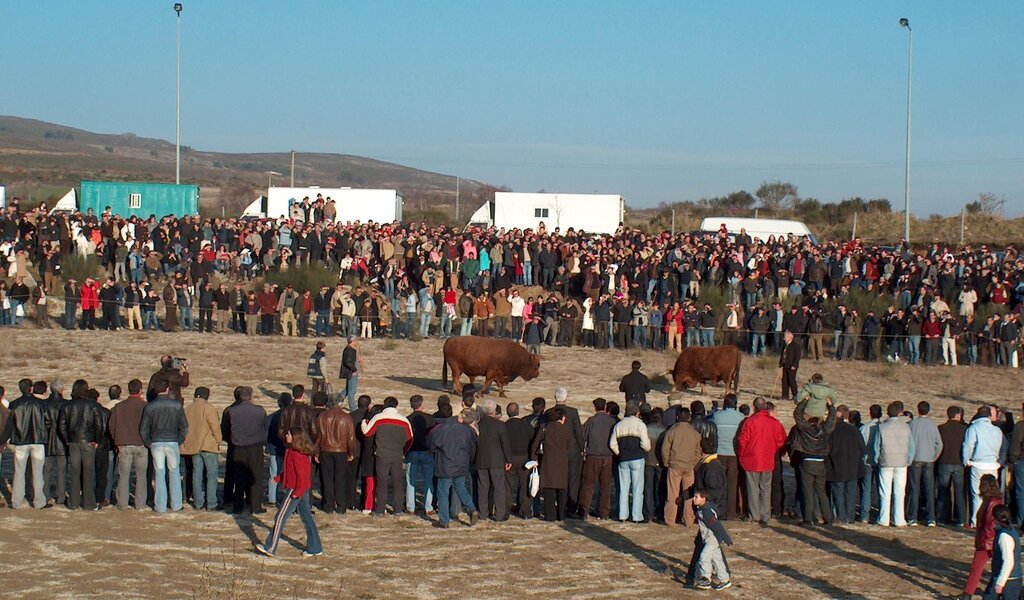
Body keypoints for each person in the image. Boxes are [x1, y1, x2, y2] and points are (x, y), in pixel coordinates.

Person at [256, 428, 323, 557]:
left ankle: (270, 547)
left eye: (289, 434)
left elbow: (303, 476)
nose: (286, 435)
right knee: (306, 517)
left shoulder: (298, 454)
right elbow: (290, 471)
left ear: (295, 437)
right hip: (298, 488)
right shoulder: (291, 450)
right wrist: (279, 478)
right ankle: (315, 547)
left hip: (295, 489)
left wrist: (297, 492)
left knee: (280, 517)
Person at [139, 379, 189, 513]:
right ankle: (176, 504)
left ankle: (160, 506)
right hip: (172, 441)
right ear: (167, 389)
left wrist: (148, 442)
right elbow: (184, 426)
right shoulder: (177, 405)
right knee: (174, 472)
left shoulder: (150, 406)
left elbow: (143, 428)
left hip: (156, 443)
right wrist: (179, 440)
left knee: (159, 473)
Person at [0, 380, 50, 509]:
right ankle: (39, 502)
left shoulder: (15, 404)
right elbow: (48, 422)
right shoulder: (41, 404)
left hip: (21, 442)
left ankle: (16, 502)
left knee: (19, 472)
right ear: (31, 388)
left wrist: (3, 439)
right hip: (38, 441)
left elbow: (10, 426)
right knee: (38, 473)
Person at [737, 396, 787, 525]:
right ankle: (765, 514)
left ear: (754, 407)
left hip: (752, 459)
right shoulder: (774, 423)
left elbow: (743, 440)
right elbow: (780, 441)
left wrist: (742, 455)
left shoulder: (750, 422)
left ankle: (755, 514)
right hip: (767, 459)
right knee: (766, 488)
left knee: (753, 488)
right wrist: (773, 450)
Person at [361, 396, 413, 516]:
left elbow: (367, 433)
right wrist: (403, 451)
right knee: (398, 483)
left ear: (385, 405)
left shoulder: (378, 418)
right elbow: (410, 439)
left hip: (381, 455)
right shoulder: (403, 420)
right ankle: (398, 509)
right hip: (397, 455)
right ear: (396, 405)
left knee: (382, 482)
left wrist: (364, 422)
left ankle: (380, 510)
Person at [428, 408, 480, 528]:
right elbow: (473, 444)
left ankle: (444, 521)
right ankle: (471, 509)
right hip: (461, 465)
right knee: (461, 488)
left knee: (443, 493)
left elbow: (432, 444)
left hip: (445, 465)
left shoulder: (442, 428)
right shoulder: (468, 431)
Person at [59, 381, 105, 511]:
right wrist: (96, 440)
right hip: (88, 442)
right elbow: (99, 425)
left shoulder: (67, 406)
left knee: (74, 472)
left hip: (73, 442)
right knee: (88, 473)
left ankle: (74, 502)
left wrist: (67, 440)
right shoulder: (93, 406)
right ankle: (89, 503)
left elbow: (61, 426)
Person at [222, 386, 267, 515]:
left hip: (238, 446)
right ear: (251, 396)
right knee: (256, 476)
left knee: (239, 477)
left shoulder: (232, 411)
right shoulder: (259, 411)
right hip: (255, 447)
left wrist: (230, 440)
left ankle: (238, 506)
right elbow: (264, 426)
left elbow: (226, 429)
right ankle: (255, 505)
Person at [792, 398, 837, 526]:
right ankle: (828, 519)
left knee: (808, 491)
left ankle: (808, 519)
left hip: (807, 462)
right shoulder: (825, 431)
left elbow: (797, 415)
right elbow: (831, 420)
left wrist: (804, 401)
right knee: (822, 493)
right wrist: (830, 406)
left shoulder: (804, 429)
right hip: (820, 463)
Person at [107, 379, 148, 510]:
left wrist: (117, 441)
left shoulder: (119, 407)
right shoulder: (145, 406)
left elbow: (111, 426)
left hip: (124, 444)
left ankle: (122, 503)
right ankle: (140, 503)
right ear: (140, 390)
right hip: (141, 444)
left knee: (124, 475)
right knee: (141, 476)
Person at [964, 406, 1008, 527]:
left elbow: (968, 445)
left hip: (977, 464)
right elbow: (1004, 446)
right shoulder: (997, 430)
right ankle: (992, 520)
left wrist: (966, 460)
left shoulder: (974, 428)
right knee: (992, 495)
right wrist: (1001, 462)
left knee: (977, 494)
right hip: (993, 465)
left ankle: (976, 521)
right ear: (989, 416)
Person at [962, 474, 1004, 599]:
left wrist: (984, 541)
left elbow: (990, 525)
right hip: (987, 540)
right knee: (977, 567)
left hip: (989, 541)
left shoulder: (993, 502)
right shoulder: (989, 501)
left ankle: (969, 594)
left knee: (992, 568)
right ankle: (967, 594)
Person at [873, 401, 914, 527]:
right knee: (900, 491)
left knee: (885, 492)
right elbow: (911, 446)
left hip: (886, 462)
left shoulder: (881, 427)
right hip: (902, 462)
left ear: (887, 413)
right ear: (899, 413)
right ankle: (899, 519)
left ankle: (884, 519)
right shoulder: (906, 427)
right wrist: (909, 460)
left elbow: (876, 446)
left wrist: (876, 459)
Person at [610, 400, 651, 523]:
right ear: (637, 412)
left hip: (623, 459)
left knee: (624, 488)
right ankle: (636, 516)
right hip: (637, 458)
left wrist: (619, 453)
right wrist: (645, 450)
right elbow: (646, 444)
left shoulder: (619, 425)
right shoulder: (640, 425)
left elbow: (612, 444)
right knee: (637, 489)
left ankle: (623, 515)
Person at [181, 387, 222, 511]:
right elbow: (215, 425)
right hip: (208, 445)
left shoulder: (187, 409)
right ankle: (211, 503)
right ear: (207, 396)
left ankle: (198, 503)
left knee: (196, 474)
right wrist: (218, 439)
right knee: (211, 475)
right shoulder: (208, 408)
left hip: (194, 447)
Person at [316, 394, 357, 514]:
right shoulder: (346, 417)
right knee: (340, 478)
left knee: (327, 478)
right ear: (340, 402)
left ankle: (328, 505)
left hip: (325, 449)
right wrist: (351, 452)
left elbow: (318, 436)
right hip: (341, 451)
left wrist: (316, 452)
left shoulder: (323, 416)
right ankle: (341, 505)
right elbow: (351, 438)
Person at [826, 404, 866, 525]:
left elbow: (827, 449)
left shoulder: (831, 431)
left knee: (838, 494)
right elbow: (862, 447)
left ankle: (841, 517)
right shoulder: (853, 430)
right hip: (852, 467)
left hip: (836, 467)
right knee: (850, 493)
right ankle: (850, 517)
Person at [662, 407, 702, 527]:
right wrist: (694, 463)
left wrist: (666, 462)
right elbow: (698, 451)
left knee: (672, 493)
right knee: (689, 495)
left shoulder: (672, 431)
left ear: (677, 417)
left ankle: (670, 519)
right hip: (689, 466)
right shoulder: (695, 433)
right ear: (689, 418)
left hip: (674, 465)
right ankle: (688, 519)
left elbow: (665, 449)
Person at [532, 406, 572, 522]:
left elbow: (535, 444)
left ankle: (550, 516)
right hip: (562, 462)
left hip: (548, 461)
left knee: (549, 490)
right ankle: (561, 515)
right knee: (562, 491)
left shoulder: (545, 428)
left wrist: (534, 458)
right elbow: (570, 446)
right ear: (562, 417)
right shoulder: (566, 429)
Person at [907, 401, 943, 527]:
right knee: (929, 489)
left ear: (918, 410)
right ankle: (931, 518)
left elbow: (908, 442)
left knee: (914, 488)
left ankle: (912, 517)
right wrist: (934, 457)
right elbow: (939, 444)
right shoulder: (932, 425)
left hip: (915, 459)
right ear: (928, 410)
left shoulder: (912, 424)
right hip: (929, 460)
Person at [579, 398, 616, 520]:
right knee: (605, 487)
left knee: (588, 485)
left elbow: (583, 436)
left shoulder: (591, 421)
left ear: (595, 407)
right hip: (608, 457)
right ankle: (604, 512)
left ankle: (584, 511)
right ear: (605, 407)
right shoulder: (612, 421)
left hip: (593, 456)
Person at [690, 488, 734, 591]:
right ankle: (725, 580)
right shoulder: (701, 508)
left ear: (704, 499)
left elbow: (716, 526)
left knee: (704, 557)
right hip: (708, 539)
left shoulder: (707, 512)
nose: (694, 499)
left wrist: (725, 537)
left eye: (696, 497)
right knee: (717, 560)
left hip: (712, 539)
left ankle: (705, 579)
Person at [475, 398, 511, 521]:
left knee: (483, 488)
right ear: (494, 411)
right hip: (497, 461)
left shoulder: (477, 425)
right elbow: (505, 444)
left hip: (481, 460)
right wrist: (508, 459)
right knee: (499, 488)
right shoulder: (500, 425)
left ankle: (483, 513)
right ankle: (500, 514)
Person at [711, 394, 745, 521]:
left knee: (719, 484)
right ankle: (731, 513)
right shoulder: (740, 417)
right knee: (732, 484)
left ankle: (719, 510)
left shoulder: (717, 416)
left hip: (719, 453)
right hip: (734, 454)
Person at [938, 405, 969, 527]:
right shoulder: (964, 429)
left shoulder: (941, 428)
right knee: (959, 492)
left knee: (943, 491)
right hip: (959, 463)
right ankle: (961, 519)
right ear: (958, 415)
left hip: (944, 461)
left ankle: (941, 518)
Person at [983, 505, 1022, 600]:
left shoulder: (1004, 536)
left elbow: (1008, 561)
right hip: (1010, 578)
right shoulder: (1010, 529)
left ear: (994, 518)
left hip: (1008, 580)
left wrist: (1000, 583)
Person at [505, 402, 535, 519]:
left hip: (509, 458)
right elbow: (532, 441)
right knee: (524, 485)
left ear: (507, 413)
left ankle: (505, 510)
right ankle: (525, 511)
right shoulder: (526, 425)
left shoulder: (504, 426)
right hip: (524, 458)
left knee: (507, 485)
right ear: (518, 412)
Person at [859, 404, 883, 524]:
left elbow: (860, 444)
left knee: (866, 488)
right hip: (880, 462)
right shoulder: (883, 427)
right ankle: (881, 513)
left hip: (867, 460)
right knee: (881, 489)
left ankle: (864, 515)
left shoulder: (865, 428)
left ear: (870, 413)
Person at [340, 336, 363, 412]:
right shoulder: (349, 350)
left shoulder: (352, 350)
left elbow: (352, 360)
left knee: (347, 389)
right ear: (352, 341)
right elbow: (348, 362)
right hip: (352, 373)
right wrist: (354, 370)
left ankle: (336, 401)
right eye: (356, 340)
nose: (357, 342)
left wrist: (358, 359)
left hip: (352, 372)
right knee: (351, 392)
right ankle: (353, 409)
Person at [779, 331, 801, 401]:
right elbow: (783, 355)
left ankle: (795, 395)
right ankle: (785, 395)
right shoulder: (785, 345)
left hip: (792, 366)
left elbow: (797, 357)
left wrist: (794, 365)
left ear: (789, 338)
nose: (784, 339)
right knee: (784, 381)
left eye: (785, 337)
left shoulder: (796, 346)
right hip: (785, 365)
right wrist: (780, 363)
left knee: (792, 381)